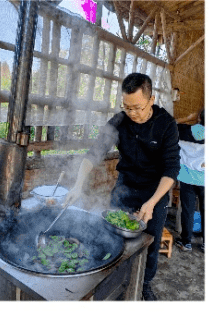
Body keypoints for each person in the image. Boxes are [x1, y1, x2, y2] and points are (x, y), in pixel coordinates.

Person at [65, 73, 180, 301]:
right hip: (124, 187)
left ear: (151, 99)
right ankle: (115, 280)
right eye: (127, 107)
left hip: (153, 193)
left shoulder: (166, 124)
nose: (132, 113)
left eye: (138, 107)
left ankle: (144, 283)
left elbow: (171, 170)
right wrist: (77, 186)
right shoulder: (119, 121)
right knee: (112, 238)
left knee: (150, 242)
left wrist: (151, 203)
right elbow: (93, 154)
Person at [174, 109, 205, 253]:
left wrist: (188, 116)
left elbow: (170, 125)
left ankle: (186, 242)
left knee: (188, 210)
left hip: (188, 177)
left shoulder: (185, 131)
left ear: (199, 117)